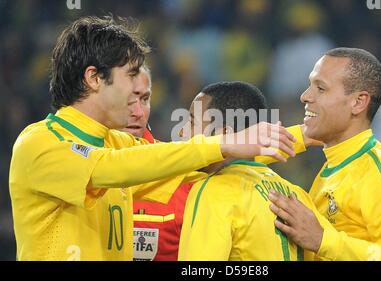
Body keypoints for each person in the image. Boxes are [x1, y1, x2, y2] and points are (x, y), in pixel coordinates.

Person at [8, 16, 296, 261]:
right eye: (130, 75)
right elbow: (108, 168)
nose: (138, 89)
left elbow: (180, 160)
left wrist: (304, 135)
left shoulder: (118, 146)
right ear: (94, 78)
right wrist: (222, 143)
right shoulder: (40, 143)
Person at [268, 47, 381, 260]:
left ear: (358, 102)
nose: (305, 96)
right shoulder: (332, 169)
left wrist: (323, 241)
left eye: (321, 88)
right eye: (310, 85)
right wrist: (303, 135)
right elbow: (227, 159)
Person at [177, 81, 330, 261]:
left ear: (223, 134)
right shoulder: (298, 195)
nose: (181, 132)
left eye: (192, 122)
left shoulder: (214, 191)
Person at [118, 67, 194, 261]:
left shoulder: (184, 171)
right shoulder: (75, 166)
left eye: (144, 100)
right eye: (127, 100)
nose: (137, 112)